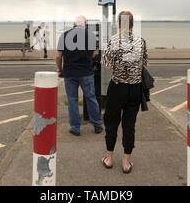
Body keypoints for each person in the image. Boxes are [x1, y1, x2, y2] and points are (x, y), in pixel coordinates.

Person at [100, 10, 148, 174]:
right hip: (135, 88)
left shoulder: (113, 41)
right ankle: (126, 162)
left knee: (111, 122)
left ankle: (109, 158)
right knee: (129, 125)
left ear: (118, 24)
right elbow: (144, 62)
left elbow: (106, 65)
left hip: (117, 87)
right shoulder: (141, 42)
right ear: (133, 24)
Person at [56, 15, 103, 136]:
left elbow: (58, 56)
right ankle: (97, 125)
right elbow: (93, 55)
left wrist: (60, 70)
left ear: (74, 24)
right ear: (85, 24)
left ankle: (76, 128)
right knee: (91, 98)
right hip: (86, 72)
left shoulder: (64, 35)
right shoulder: (90, 35)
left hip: (70, 73)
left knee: (72, 100)